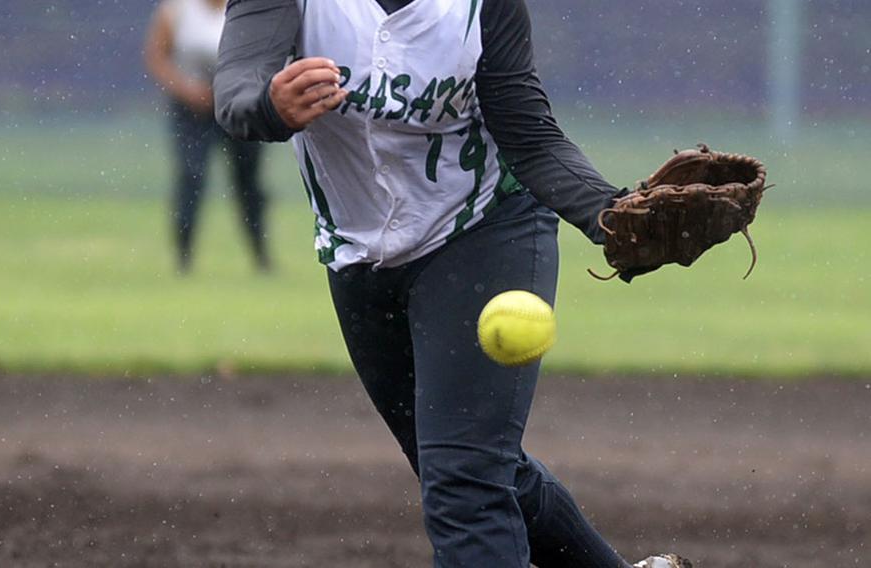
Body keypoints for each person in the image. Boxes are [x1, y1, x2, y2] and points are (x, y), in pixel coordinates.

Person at [214, 1, 692, 567]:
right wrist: (268, 105)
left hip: (485, 231)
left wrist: (611, 215)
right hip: (359, 256)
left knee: (464, 478)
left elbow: (529, 137)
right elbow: (237, 85)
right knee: (474, 467)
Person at [145, 0, 270, 273]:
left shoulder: (247, 7)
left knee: (248, 180)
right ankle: (184, 256)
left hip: (240, 105)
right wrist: (187, 89)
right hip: (193, 110)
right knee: (192, 175)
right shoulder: (178, 8)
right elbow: (157, 56)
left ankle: (261, 255)